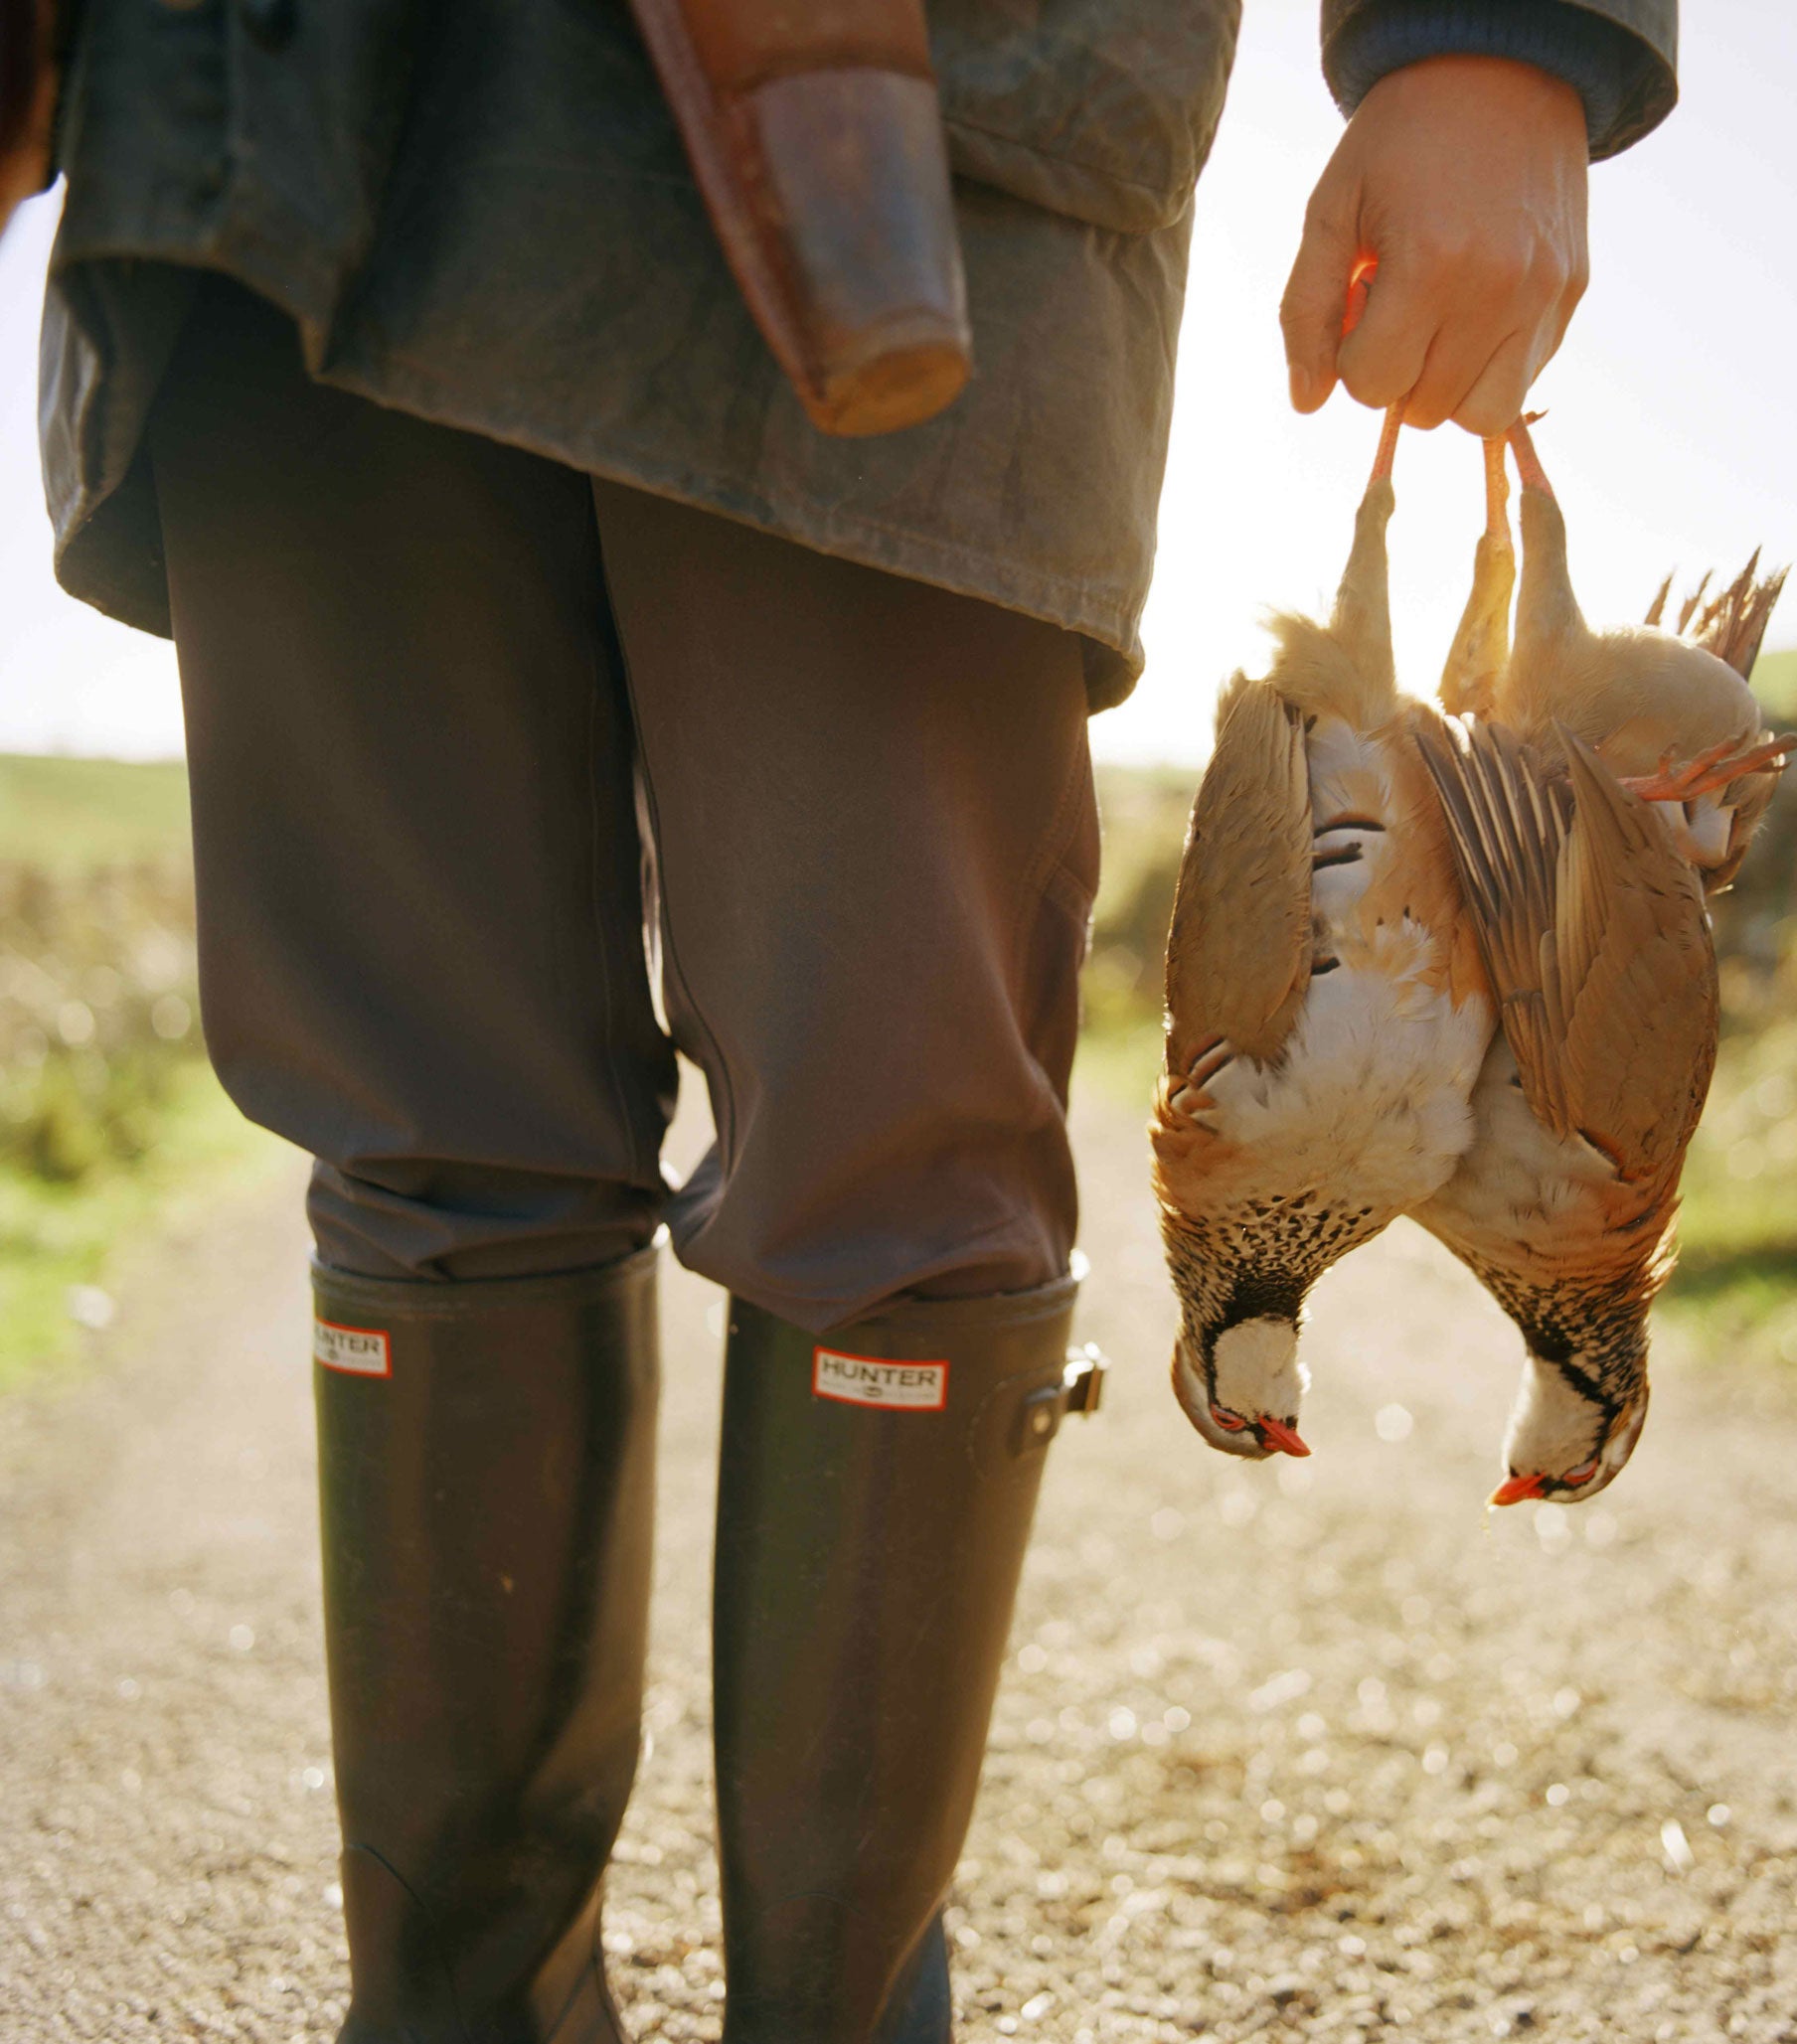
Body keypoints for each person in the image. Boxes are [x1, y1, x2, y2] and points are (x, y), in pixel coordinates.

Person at [17, 2, 1676, 2038]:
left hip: (928, 137)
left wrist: (1495, 41)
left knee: (893, 1168)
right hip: (285, 125)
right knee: (426, 1137)